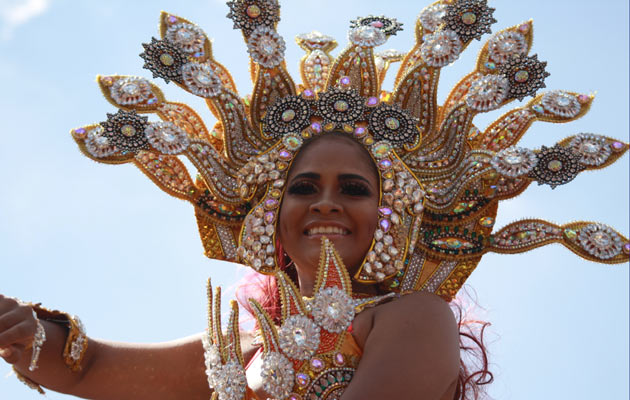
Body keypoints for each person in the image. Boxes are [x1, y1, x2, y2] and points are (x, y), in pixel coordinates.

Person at [1, 1, 628, 399]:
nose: (325, 203)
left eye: (353, 189)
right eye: (303, 187)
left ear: (395, 215)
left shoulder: (412, 317)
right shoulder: (245, 342)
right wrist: (22, 330)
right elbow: (90, 371)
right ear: (269, 213)